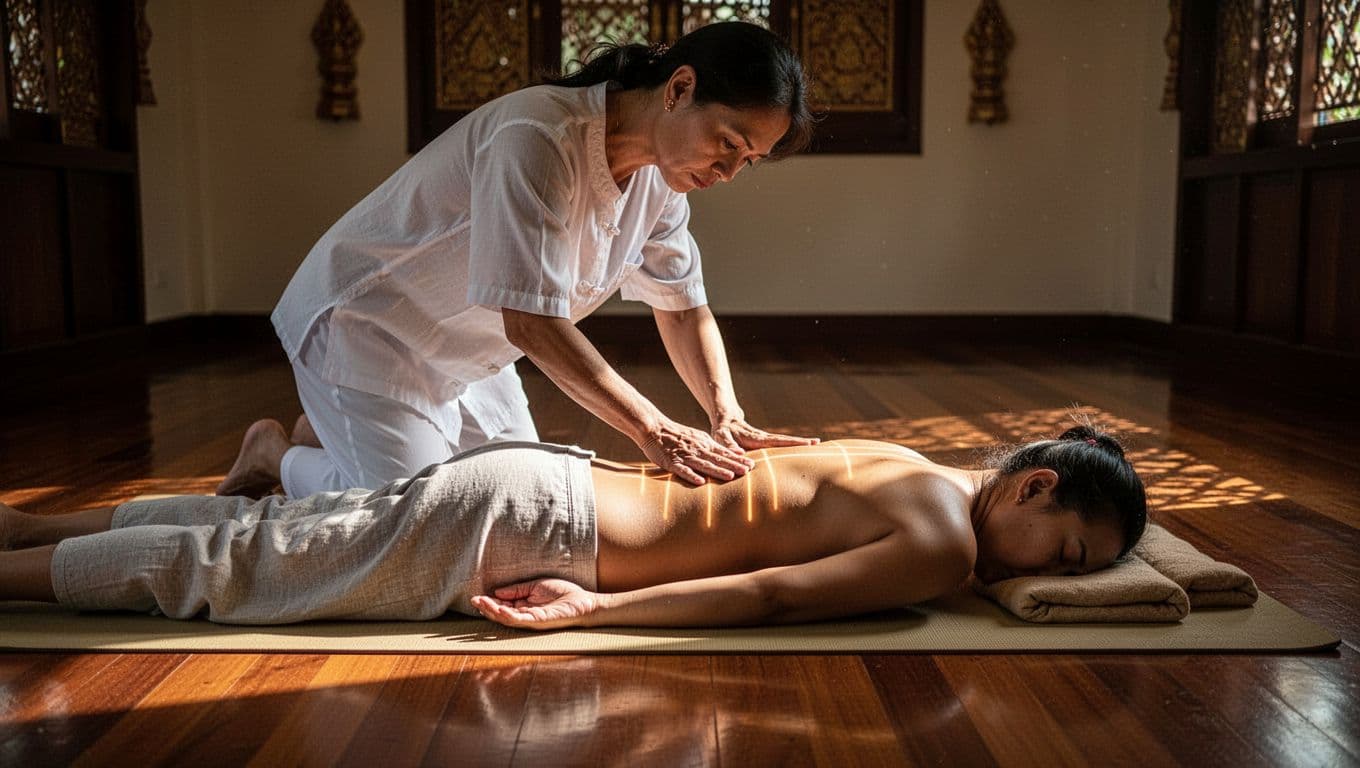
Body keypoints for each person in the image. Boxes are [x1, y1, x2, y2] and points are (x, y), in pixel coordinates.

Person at [218, 22, 820, 501]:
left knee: (513, 500)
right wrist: (654, 430)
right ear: (680, 89)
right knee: (419, 521)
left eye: (749, 161)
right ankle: (278, 455)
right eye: (729, 144)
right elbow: (530, 321)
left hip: (472, 351)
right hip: (368, 327)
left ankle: (330, 434)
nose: (728, 172)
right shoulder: (538, 134)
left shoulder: (664, 181)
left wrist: (726, 415)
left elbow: (684, 310)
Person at [0, 426, 1147, 629]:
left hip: (538, 479)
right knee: (241, 572)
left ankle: (31, 529)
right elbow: (771, 596)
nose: (1052, 577)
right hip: (538, 526)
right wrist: (603, 609)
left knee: (288, 525)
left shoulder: (918, 469)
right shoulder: (949, 546)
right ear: (1035, 490)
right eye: (1071, 558)